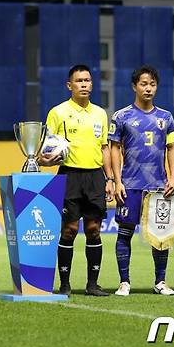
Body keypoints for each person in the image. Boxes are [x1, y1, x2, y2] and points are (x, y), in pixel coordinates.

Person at [38, 64, 115, 297]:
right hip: (68, 176)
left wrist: (109, 178)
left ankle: (92, 284)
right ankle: (64, 284)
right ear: (69, 85)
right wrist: (46, 159)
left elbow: (105, 148)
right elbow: (47, 147)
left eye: (88, 80)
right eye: (79, 81)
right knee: (69, 230)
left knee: (94, 230)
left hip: (94, 177)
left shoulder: (100, 113)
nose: (84, 84)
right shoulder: (58, 112)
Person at [108, 65, 174, 297]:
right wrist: (117, 181)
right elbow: (114, 149)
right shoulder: (121, 117)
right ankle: (124, 282)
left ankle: (160, 282)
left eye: (152, 84)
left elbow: (172, 148)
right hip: (130, 184)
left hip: (159, 186)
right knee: (125, 233)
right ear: (134, 86)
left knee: (161, 235)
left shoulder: (166, 118)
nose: (148, 88)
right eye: (143, 84)